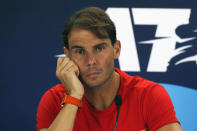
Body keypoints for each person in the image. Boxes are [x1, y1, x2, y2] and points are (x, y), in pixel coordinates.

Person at [36, 7, 182, 131]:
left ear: (116, 49)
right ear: (68, 56)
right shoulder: (54, 99)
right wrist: (73, 97)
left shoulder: (149, 95)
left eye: (99, 48)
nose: (91, 61)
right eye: (80, 52)